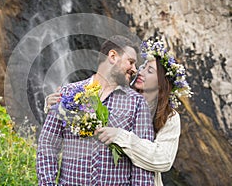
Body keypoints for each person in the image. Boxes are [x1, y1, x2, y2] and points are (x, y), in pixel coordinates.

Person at [45, 36, 192, 186]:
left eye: (150, 71)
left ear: (162, 83)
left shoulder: (169, 117)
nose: (139, 72)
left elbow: (163, 160)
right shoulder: (119, 92)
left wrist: (121, 137)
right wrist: (56, 105)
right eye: (141, 67)